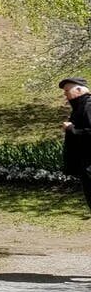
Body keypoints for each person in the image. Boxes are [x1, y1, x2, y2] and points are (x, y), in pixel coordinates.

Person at [60, 77, 91, 211]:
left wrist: (71, 129)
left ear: (79, 90)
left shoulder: (88, 106)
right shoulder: (79, 107)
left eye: (67, 90)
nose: (65, 94)